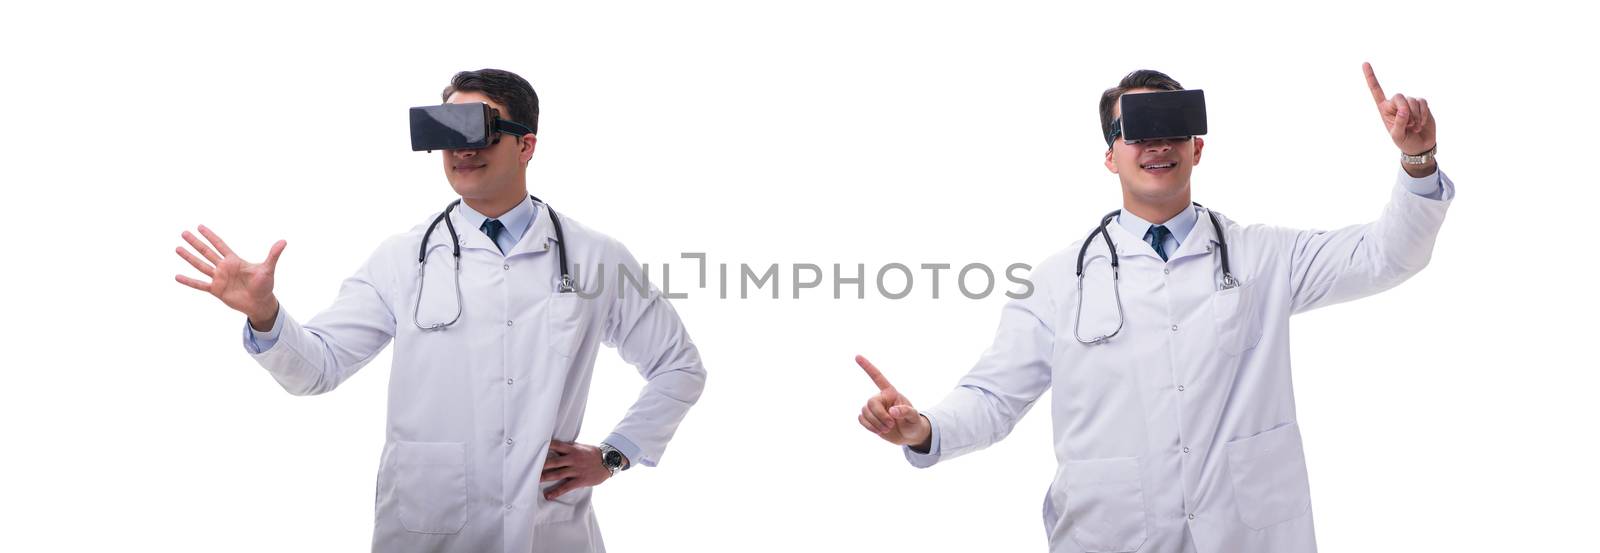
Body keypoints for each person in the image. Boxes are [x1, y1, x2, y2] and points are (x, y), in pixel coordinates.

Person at [853, 63, 1452, 552]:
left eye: (1171, 130)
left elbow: (1387, 255)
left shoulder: (1264, 256)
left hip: (1249, 535)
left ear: (1197, 147)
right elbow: (992, 398)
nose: (1156, 145)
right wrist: (926, 427)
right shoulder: (1059, 283)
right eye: (1137, 132)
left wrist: (1417, 161)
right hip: (1112, 535)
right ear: (1111, 156)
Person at [174, 68, 707, 553]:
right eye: (447, 134)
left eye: (478, 131)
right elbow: (319, 369)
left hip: (550, 531)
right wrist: (267, 315)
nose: (461, 151)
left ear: (526, 145)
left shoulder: (595, 258)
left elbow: (679, 367)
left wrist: (616, 454)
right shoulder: (402, 258)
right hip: (426, 528)